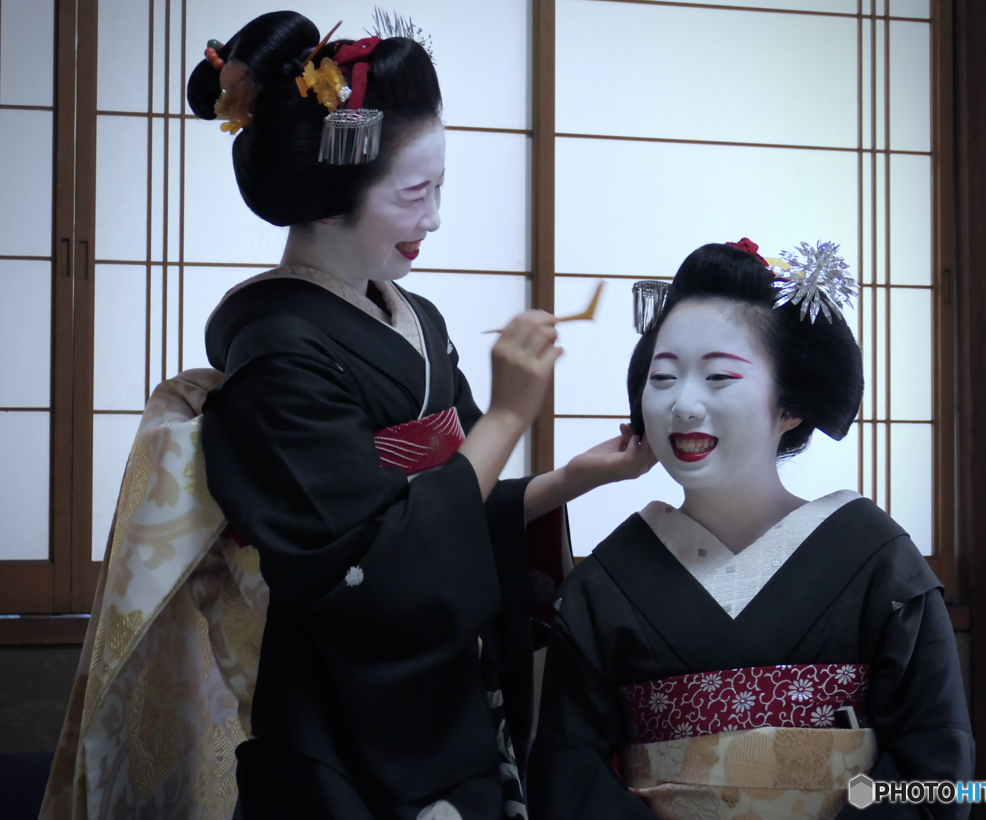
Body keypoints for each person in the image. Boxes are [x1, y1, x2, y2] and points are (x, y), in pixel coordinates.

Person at [182, 10, 652, 820]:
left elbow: (457, 504)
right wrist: (505, 417)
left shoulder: (420, 323)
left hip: (448, 703)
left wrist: (573, 479)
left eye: (441, 187)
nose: (434, 218)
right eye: (415, 193)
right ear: (330, 201)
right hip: (342, 725)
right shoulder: (277, 358)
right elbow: (380, 566)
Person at [527, 241, 974, 819]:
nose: (684, 405)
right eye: (663, 378)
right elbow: (568, 772)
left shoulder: (874, 557)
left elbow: (934, 764)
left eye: (718, 377)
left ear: (791, 403)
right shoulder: (610, 579)